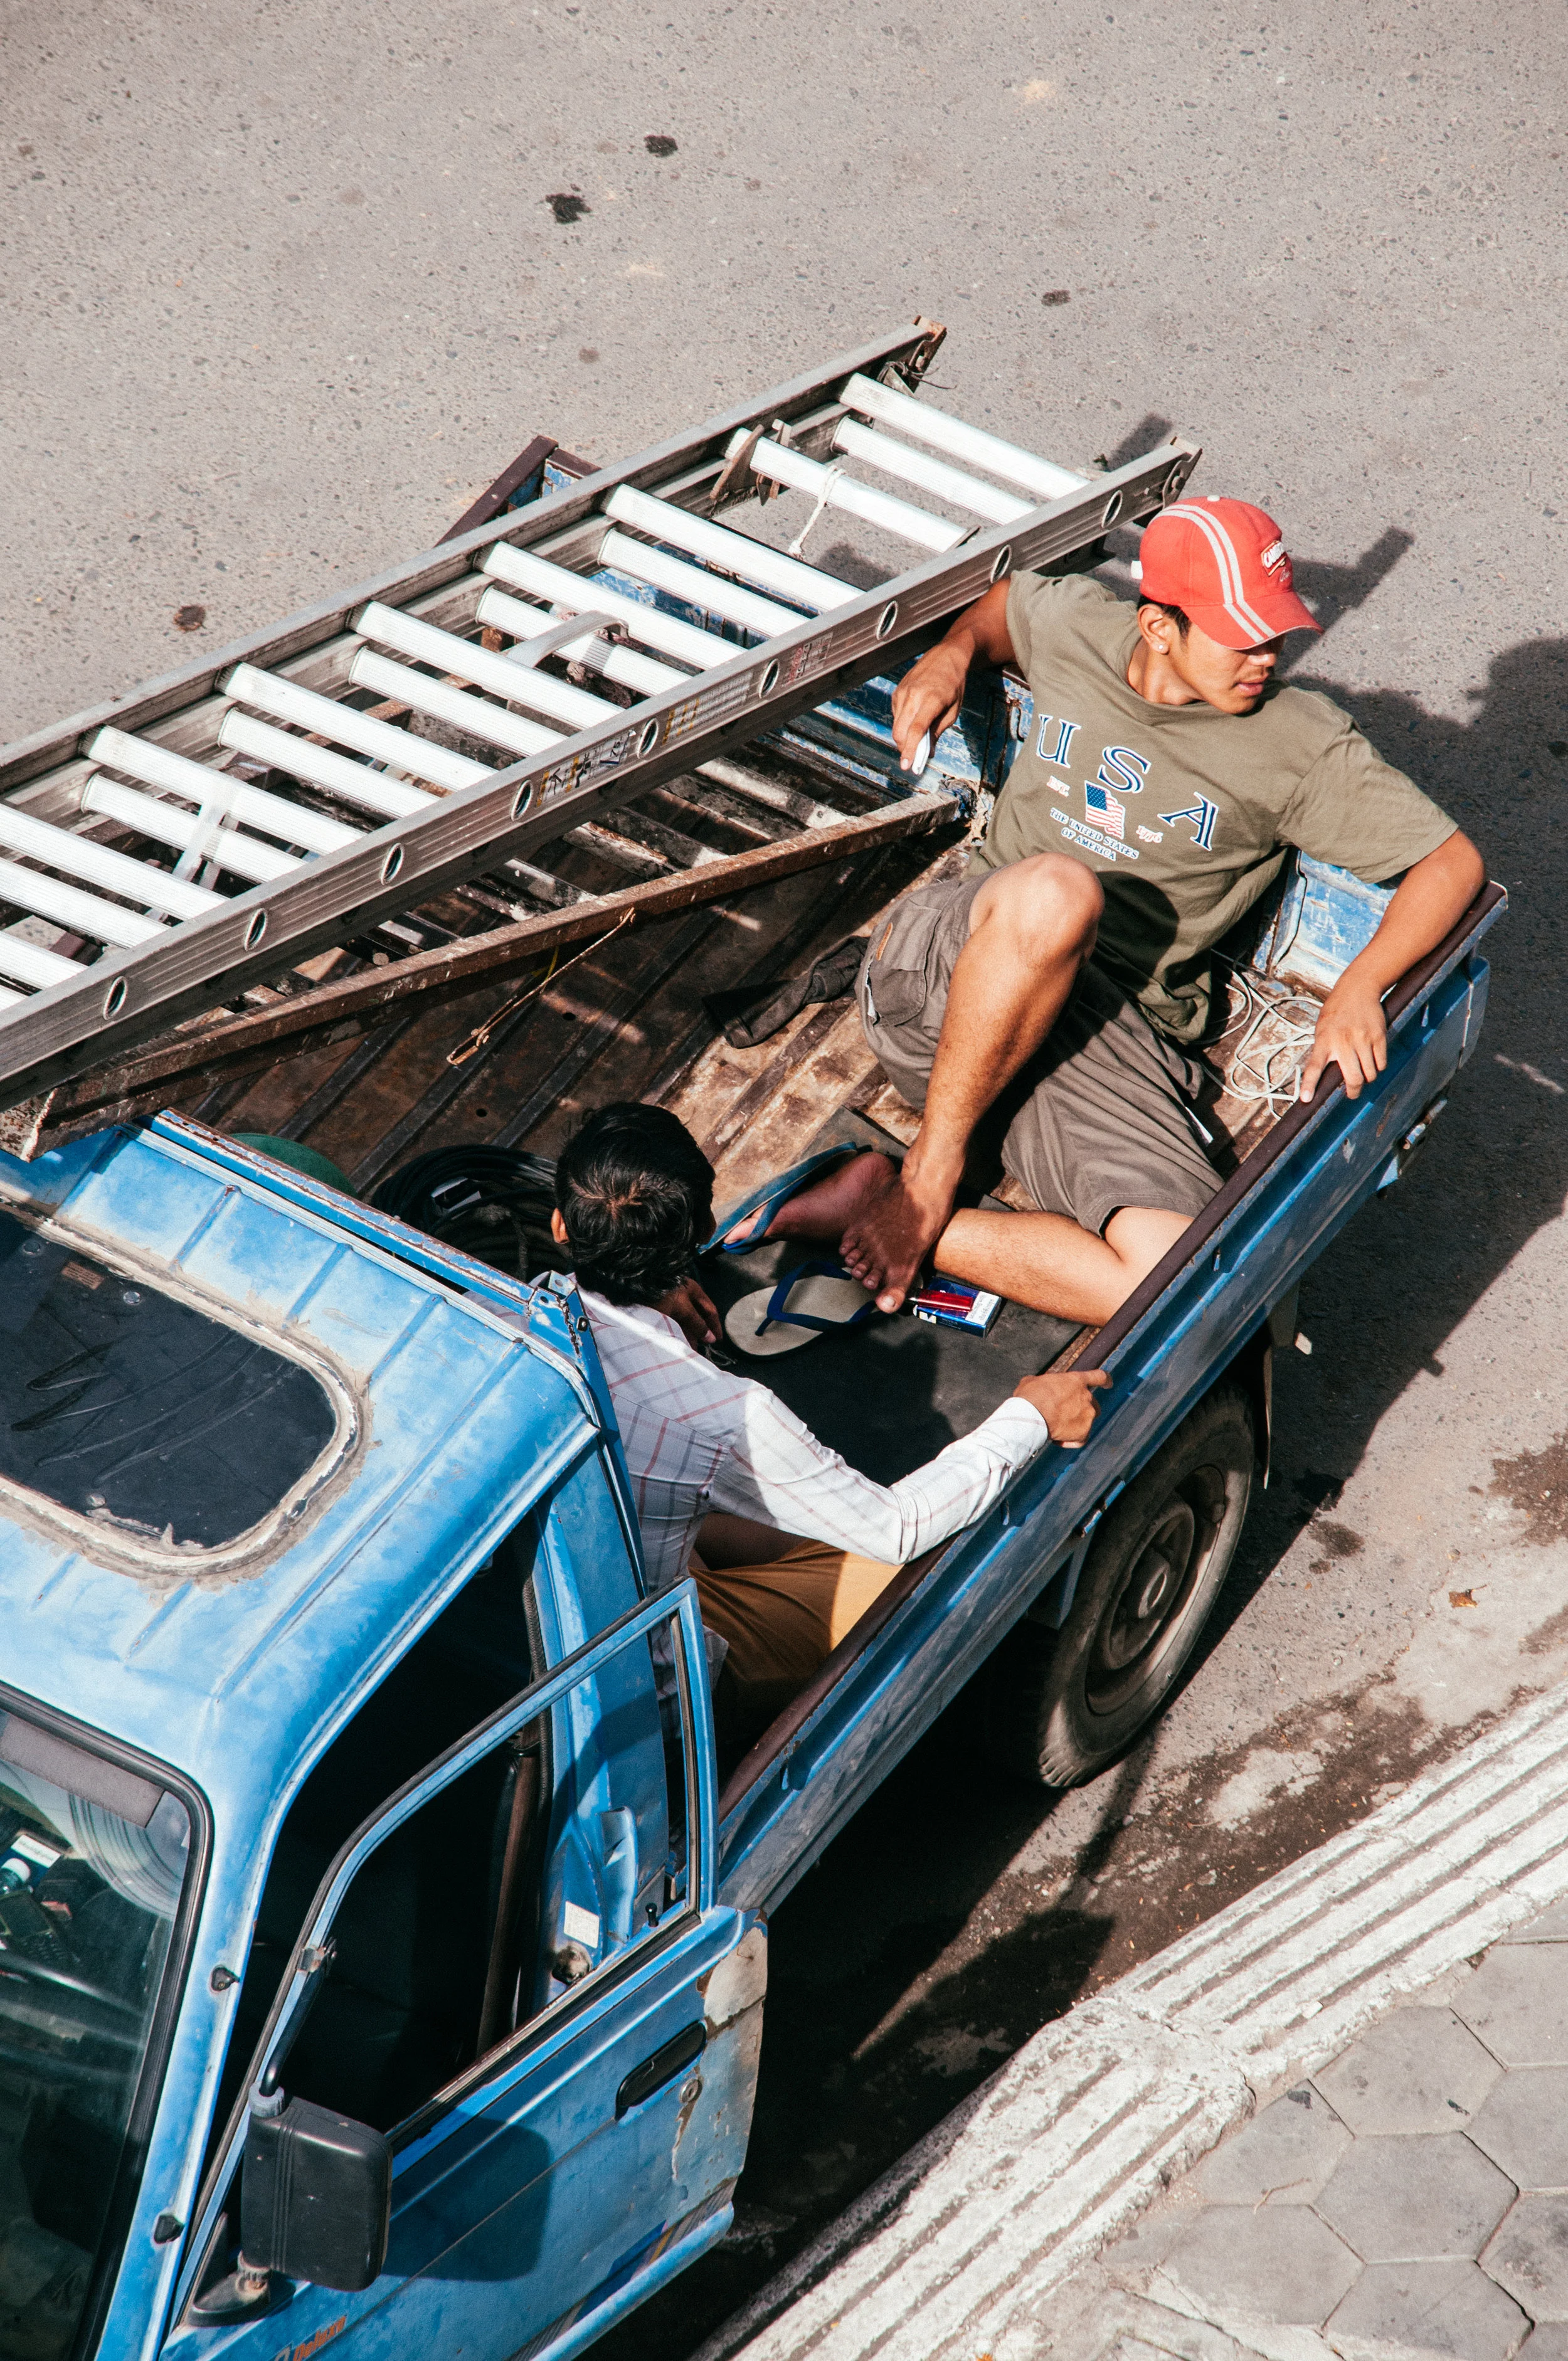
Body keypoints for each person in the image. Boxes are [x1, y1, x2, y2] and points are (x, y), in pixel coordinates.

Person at [763, 497, 1485, 1326]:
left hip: (1101, 1029)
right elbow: (1004, 607)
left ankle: (893, 1208)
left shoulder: (1300, 745)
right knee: (1059, 894)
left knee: (1187, 1284)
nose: (1266, 656)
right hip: (952, 961)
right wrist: (951, 653)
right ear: (1157, 626)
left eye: (1276, 632)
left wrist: (1362, 985)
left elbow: (1449, 861)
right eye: (1240, 634)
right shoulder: (1079, 626)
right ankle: (932, 1171)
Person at [548, 1103, 1107, 1746]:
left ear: (562, 1225)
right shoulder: (721, 1414)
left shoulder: (487, 1306)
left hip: (569, 1600)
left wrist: (642, 1294)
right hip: (652, 1690)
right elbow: (899, 1528)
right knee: (921, 1561)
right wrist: (1032, 1413)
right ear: (700, 1231)